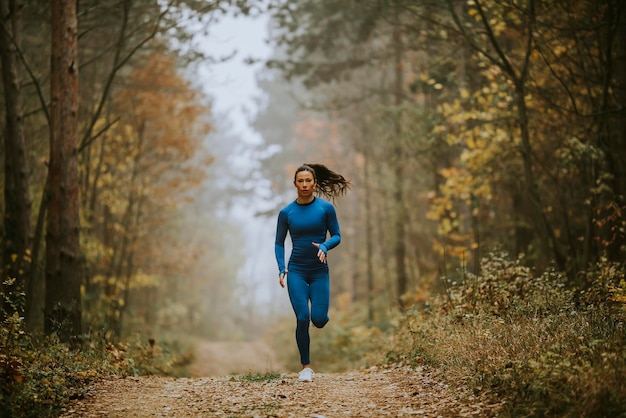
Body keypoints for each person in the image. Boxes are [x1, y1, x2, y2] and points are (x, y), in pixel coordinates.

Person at [274, 163, 350, 382]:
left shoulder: (326, 209)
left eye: (309, 181)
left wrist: (325, 247)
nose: (305, 184)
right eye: (301, 181)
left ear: (314, 183)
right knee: (302, 317)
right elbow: (279, 243)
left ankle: (321, 310)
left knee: (318, 319)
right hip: (296, 270)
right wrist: (281, 268)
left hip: (319, 272)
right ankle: (306, 367)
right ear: (295, 183)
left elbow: (337, 235)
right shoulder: (286, 212)